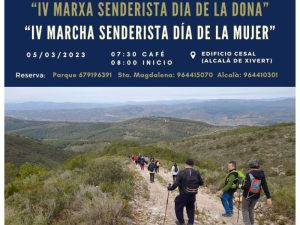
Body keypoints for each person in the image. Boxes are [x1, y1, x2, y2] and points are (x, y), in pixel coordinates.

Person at [167, 159, 204, 225]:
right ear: (193, 165)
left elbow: (175, 184)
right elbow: (201, 183)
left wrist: (170, 188)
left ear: (186, 164)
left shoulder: (181, 172)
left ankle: (181, 222)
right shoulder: (197, 172)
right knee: (190, 208)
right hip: (193, 196)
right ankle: (190, 223)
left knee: (178, 205)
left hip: (183, 195)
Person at [242, 159, 272, 225]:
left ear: (250, 166)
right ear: (258, 165)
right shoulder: (262, 174)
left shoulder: (249, 174)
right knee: (251, 209)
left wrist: (241, 186)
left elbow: (246, 187)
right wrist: (268, 197)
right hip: (256, 196)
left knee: (245, 209)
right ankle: (251, 223)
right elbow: (265, 186)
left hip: (247, 195)